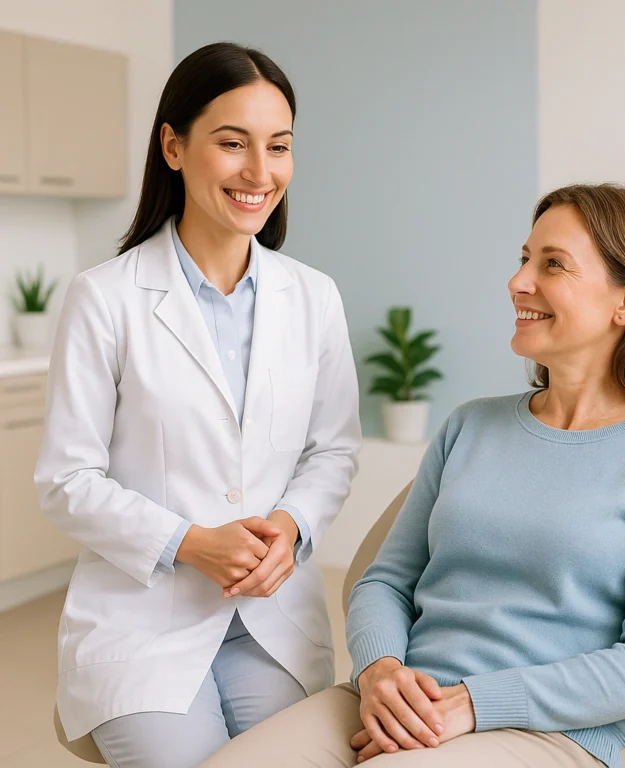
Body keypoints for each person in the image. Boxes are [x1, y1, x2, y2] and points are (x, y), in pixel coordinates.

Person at [199, 184, 625, 768]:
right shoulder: (471, 426)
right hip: (395, 698)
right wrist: (380, 672)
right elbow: (385, 581)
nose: (519, 281)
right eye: (524, 258)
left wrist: (471, 705)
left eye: (553, 264)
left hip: (546, 735)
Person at [34, 42, 361, 768]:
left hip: (273, 620)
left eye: (278, 147)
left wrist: (290, 523)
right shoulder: (105, 298)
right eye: (232, 144)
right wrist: (189, 542)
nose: (260, 171)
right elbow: (65, 480)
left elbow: (333, 448)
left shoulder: (313, 297)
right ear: (174, 147)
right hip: (142, 623)